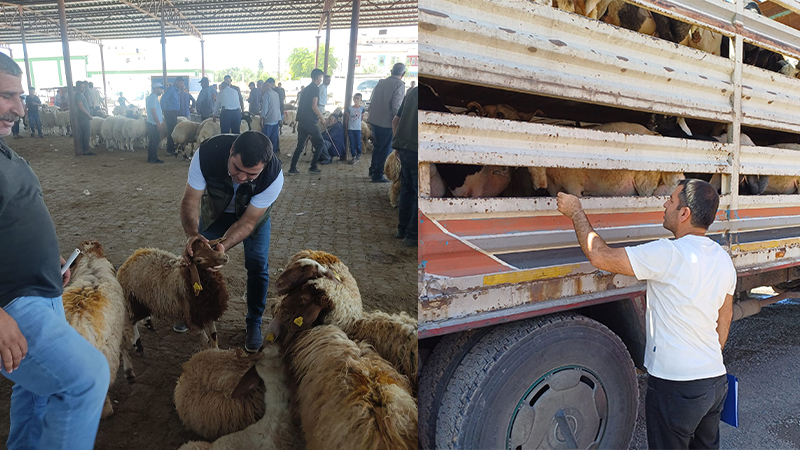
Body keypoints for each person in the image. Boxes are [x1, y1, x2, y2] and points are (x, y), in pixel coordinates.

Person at [556, 179, 734, 450]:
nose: (665, 204)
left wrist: (577, 213)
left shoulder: (667, 253)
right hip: (714, 382)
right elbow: (726, 318)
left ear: (684, 214)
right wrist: (705, 360)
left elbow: (600, 256)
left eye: (671, 201)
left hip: (676, 387)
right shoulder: (723, 258)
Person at [0, 51, 110, 450]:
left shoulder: (4, 150)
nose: (19, 108)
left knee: (39, 391)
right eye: (6, 96)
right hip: (11, 303)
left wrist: (49, 263)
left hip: (41, 291)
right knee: (87, 379)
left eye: (20, 96)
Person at [180, 131, 284, 352]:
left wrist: (223, 247)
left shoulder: (274, 176)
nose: (242, 177)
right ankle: (191, 310)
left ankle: (254, 322)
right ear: (231, 152)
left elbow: (247, 223)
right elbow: (190, 200)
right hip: (217, 212)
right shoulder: (207, 154)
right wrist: (193, 234)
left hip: (252, 216)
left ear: (263, 167)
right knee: (195, 256)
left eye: (251, 174)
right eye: (237, 168)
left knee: (257, 265)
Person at [367, 63, 406, 183]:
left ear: (391, 71)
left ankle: (372, 170)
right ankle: (378, 175)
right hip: (387, 123)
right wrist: (400, 121)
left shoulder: (380, 82)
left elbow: (372, 100)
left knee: (377, 147)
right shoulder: (399, 85)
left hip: (375, 121)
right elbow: (396, 106)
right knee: (385, 149)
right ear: (403, 74)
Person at [392, 86, 418, 248]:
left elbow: (396, 120)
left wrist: (397, 145)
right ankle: (413, 235)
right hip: (418, 149)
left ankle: (402, 229)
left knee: (407, 190)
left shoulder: (413, 92)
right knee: (419, 195)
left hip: (405, 149)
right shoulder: (427, 94)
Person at [288, 68, 326, 175]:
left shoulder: (305, 89)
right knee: (320, 143)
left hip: (301, 120)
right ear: (318, 77)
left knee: (300, 145)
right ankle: (313, 166)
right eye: (321, 77)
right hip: (310, 121)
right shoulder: (315, 89)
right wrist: (322, 118)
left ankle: (292, 168)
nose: (321, 79)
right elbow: (314, 106)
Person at [161, 77, 183, 156]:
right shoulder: (171, 89)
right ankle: (169, 149)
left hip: (174, 112)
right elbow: (163, 99)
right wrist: (164, 109)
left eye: (182, 83)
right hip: (169, 112)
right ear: (176, 82)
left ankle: (173, 148)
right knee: (171, 130)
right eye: (180, 83)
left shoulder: (177, 91)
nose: (182, 85)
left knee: (173, 130)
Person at [260, 78, 281, 155]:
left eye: (262, 88)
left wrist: (261, 119)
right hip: (276, 119)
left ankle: (266, 155)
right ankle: (274, 154)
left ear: (265, 87)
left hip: (268, 121)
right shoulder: (276, 94)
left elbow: (264, 108)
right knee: (274, 139)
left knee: (266, 140)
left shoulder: (266, 94)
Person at [73, 82, 95, 156]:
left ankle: (82, 149)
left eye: (83, 87)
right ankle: (86, 150)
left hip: (81, 117)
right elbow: (80, 106)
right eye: (81, 87)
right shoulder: (78, 96)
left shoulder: (79, 95)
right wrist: (88, 115)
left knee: (82, 134)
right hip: (84, 117)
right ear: (77, 88)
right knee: (86, 133)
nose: (83, 88)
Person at [146, 82, 165, 164]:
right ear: (156, 88)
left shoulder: (150, 97)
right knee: (155, 140)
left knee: (152, 140)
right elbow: (153, 111)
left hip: (150, 122)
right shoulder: (153, 98)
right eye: (160, 89)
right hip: (154, 123)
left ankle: (150, 157)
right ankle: (153, 158)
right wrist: (158, 123)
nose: (161, 90)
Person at [344, 93, 365, 164]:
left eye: (357, 98)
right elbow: (347, 119)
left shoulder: (362, 108)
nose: (356, 100)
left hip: (357, 128)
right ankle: (353, 155)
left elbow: (361, 118)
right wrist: (346, 129)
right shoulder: (350, 109)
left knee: (358, 142)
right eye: (355, 98)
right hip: (351, 128)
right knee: (352, 143)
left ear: (360, 99)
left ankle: (358, 153)